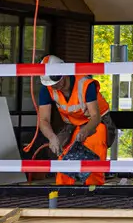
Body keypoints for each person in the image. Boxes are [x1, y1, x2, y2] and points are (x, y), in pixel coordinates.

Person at [35, 55, 110, 186]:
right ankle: (64, 191)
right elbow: (44, 120)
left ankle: (94, 190)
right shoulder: (47, 89)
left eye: (56, 82)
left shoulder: (85, 84)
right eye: (51, 84)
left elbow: (95, 117)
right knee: (64, 157)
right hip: (73, 125)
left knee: (93, 151)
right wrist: (52, 137)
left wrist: (85, 131)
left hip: (97, 122)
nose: (55, 86)